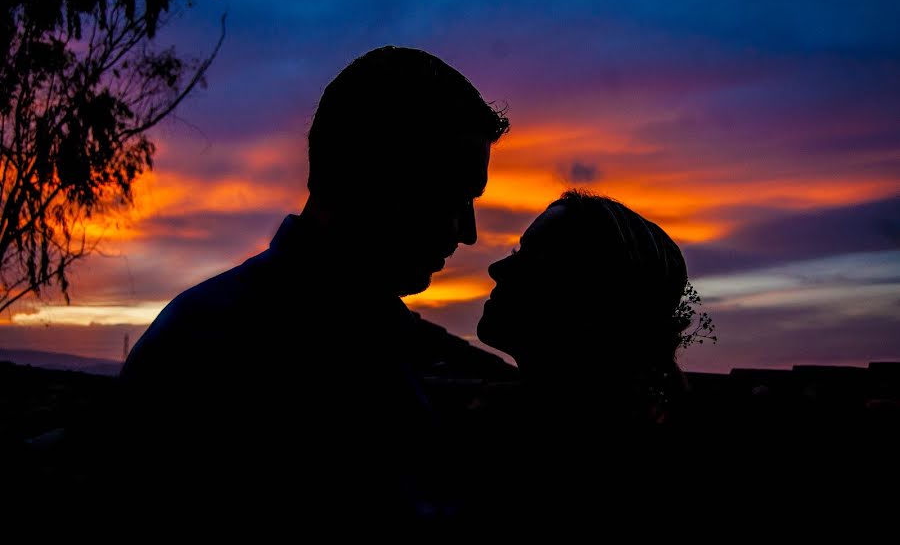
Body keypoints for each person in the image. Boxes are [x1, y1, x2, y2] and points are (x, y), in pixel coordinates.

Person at [117, 46, 510, 519]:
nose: (467, 233)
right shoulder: (233, 350)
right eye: (453, 196)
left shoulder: (369, 340)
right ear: (378, 178)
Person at [468, 190, 695, 520]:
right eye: (516, 250)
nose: (497, 268)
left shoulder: (552, 458)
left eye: (531, 258)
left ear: (588, 297)